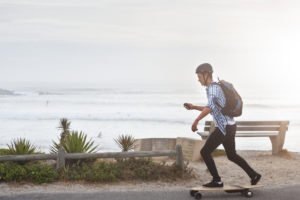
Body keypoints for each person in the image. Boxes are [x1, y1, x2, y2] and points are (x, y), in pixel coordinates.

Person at [184, 63, 261, 188]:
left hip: (223, 128)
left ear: (206, 74)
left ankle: (217, 180)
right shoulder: (213, 88)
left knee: (205, 152)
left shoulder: (213, 89)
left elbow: (209, 108)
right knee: (231, 155)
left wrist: (196, 121)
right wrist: (193, 107)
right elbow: (210, 107)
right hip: (230, 126)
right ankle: (254, 175)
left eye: (199, 76)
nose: (198, 79)